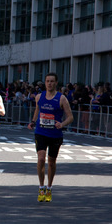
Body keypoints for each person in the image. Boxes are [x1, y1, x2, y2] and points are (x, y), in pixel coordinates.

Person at [27, 73, 74, 202]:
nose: (49, 83)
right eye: (47, 81)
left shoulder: (62, 98)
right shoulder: (39, 97)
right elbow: (38, 110)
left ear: (56, 83)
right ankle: (41, 187)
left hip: (55, 134)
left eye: (52, 81)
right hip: (41, 133)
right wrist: (32, 121)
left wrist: (62, 124)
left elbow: (70, 117)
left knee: (52, 162)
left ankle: (49, 187)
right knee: (41, 159)